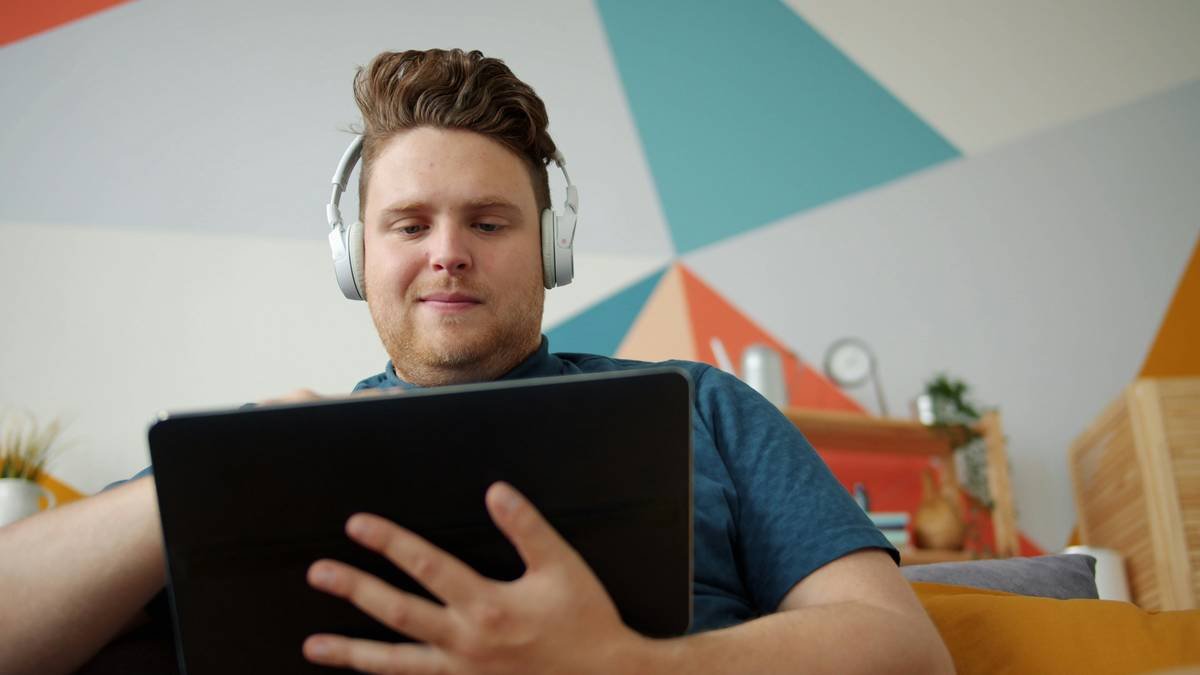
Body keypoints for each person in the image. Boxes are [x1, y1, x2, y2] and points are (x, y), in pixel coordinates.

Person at [0, 49, 954, 674]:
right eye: (409, 224)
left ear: (550, 250)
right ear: (356, 259)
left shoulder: (704, 406)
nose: (448, 253)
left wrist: (629, 663)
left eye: (489, 223)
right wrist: (199, 481)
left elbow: (903, 647)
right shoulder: (247, 457)